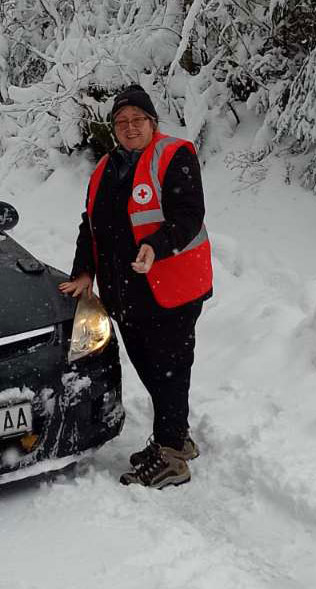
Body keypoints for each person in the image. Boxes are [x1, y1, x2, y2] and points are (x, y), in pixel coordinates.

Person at [59, 84, 213, 489]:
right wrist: (83, 272)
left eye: (137, 120)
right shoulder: (106, 168)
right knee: (150, 367)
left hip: (171, 288)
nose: (129, 127)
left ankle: (172, 457)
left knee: (170, 369)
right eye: (121, 122)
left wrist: (154, 247)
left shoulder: (174, 155)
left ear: (152, 122)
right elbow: (89, 225)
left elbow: (189, 216)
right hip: (127, 292)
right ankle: (174, 435)